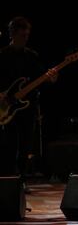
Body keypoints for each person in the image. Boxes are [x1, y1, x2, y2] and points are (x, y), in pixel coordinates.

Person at [0, 16, 58, 178]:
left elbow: (41, 78)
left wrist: (51, 78)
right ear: (12, 34)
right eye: (22, 35)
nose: (25, 38)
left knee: (26, 143)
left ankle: (22, 179)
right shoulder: (2, 56)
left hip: (27, 105)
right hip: (7, 106)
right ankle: (8, 178)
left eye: (27, 35)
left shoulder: (32, 56)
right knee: (9, 143)